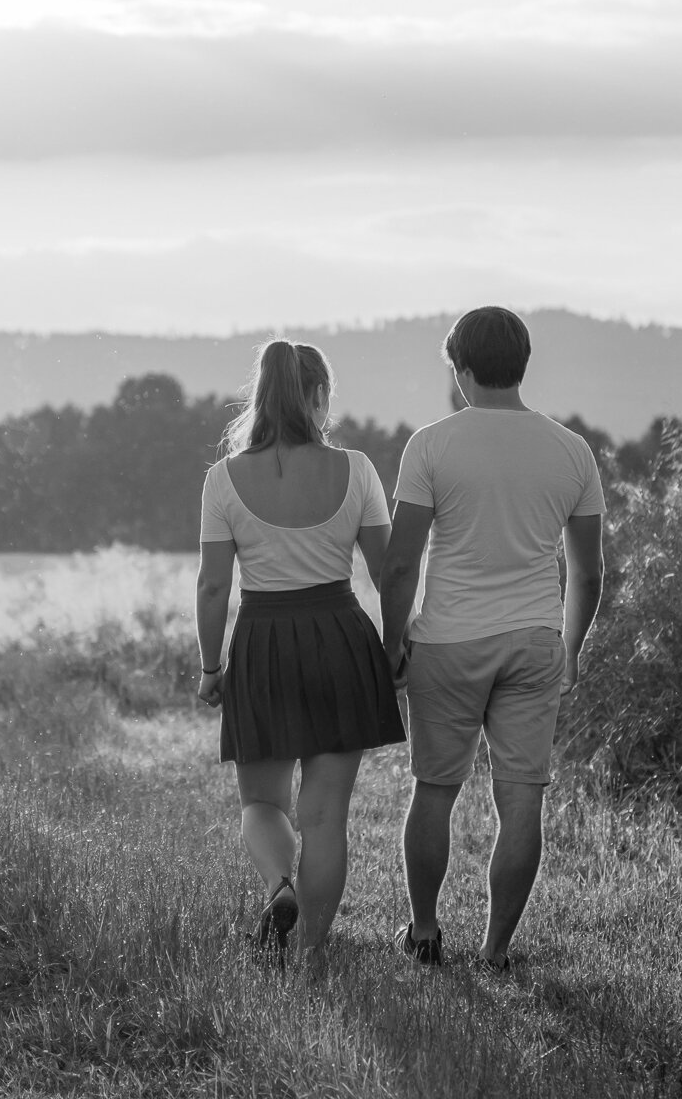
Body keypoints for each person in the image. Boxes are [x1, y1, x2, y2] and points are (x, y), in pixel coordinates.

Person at [379, 306, 605, 972]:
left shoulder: (430, 445)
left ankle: (425, 932)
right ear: (521, 364)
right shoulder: (572, 450)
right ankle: (496, 950)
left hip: (448, 642)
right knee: (522, 798)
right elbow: (588, 572)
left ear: (462, 368)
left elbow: (401, 564)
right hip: (535, 640)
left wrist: (392, 644)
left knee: (434, 789)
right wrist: (571, 647)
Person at [196, 340, 406, 968]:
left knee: (262, 804)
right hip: (341, 642)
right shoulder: (357, 469)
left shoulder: (222, 478)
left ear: (259, 397)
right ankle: (310, 956)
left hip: (264, 644)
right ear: (318, 396)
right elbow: (389, 574)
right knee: (325, 819)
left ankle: (278, 886)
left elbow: (212, 587)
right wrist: (395, 647)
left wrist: (211, 668)